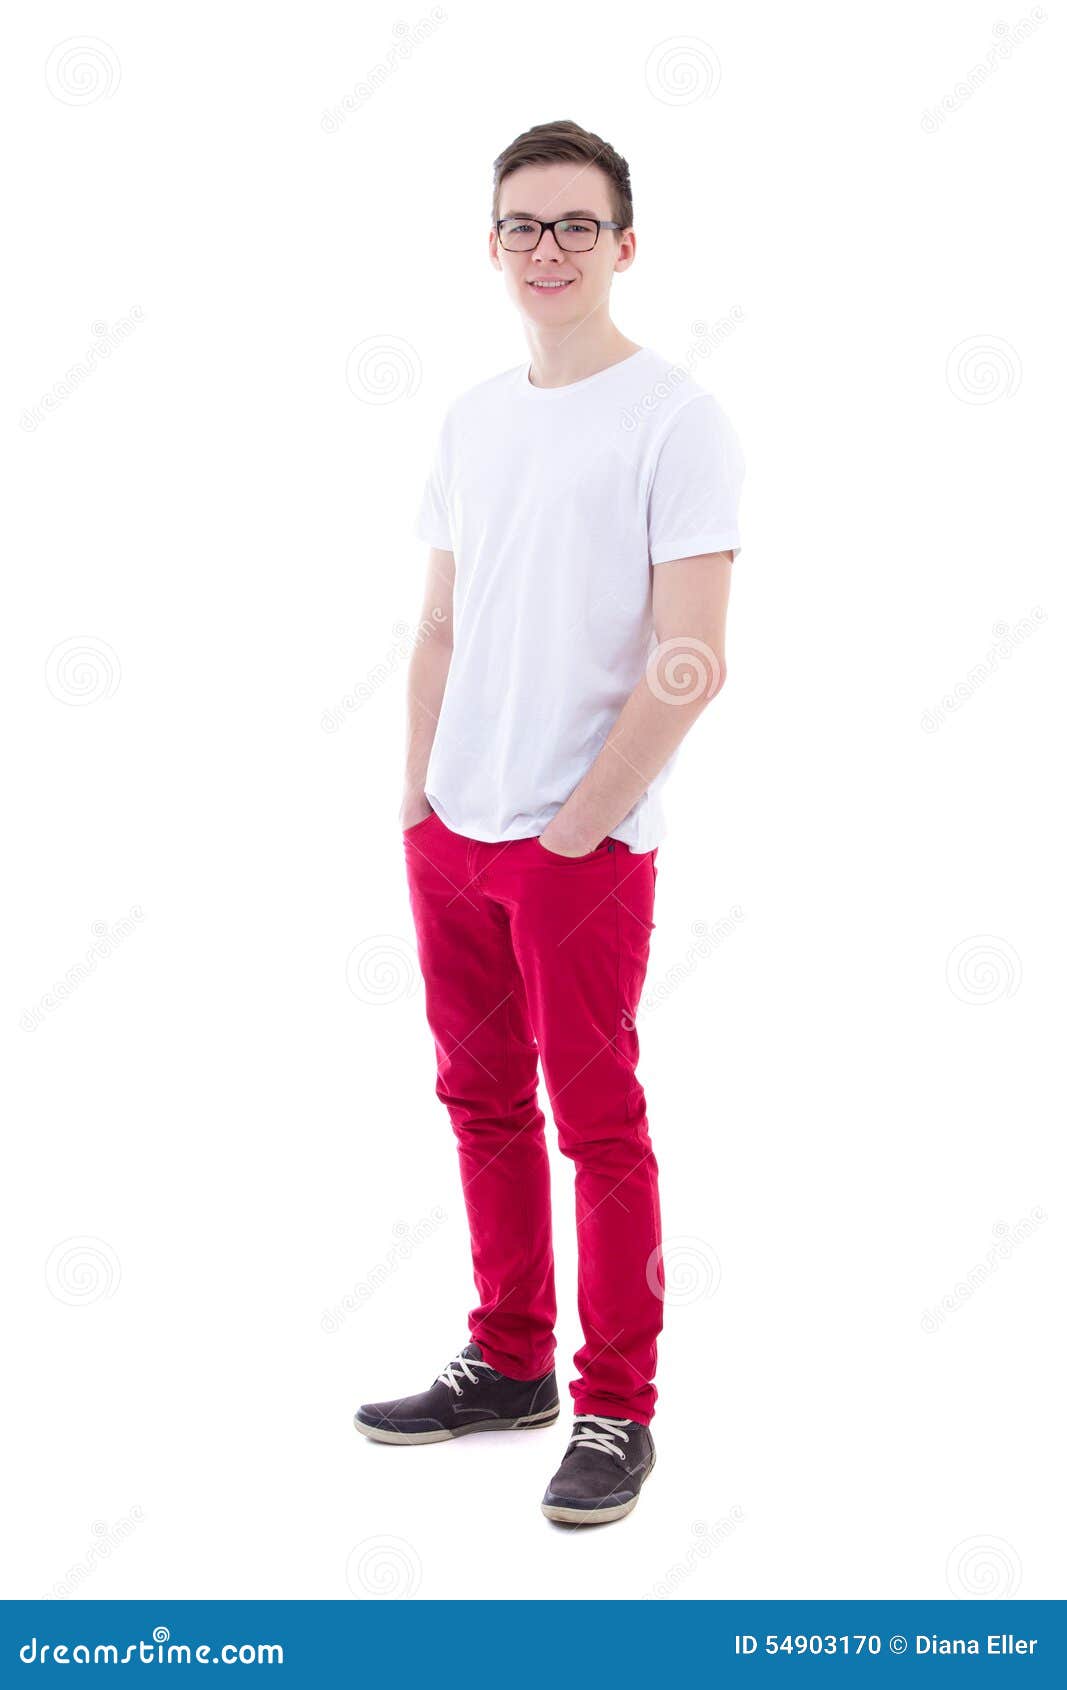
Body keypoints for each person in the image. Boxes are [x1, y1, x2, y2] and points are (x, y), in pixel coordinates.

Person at [354, 119, 745, 1527]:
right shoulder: (471, 416)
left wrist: (582, 822)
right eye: (524, 224)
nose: (548, 248)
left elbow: (693, 653)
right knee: (478, 1101)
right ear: (494, 245)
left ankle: (617, 1405)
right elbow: (444, 621)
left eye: (577, 225)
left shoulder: (675, 417)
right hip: (450, 832)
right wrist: (416, 796)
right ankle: (510, 1360)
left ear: (624, 245)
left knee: (598, 1122)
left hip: (578, 846)